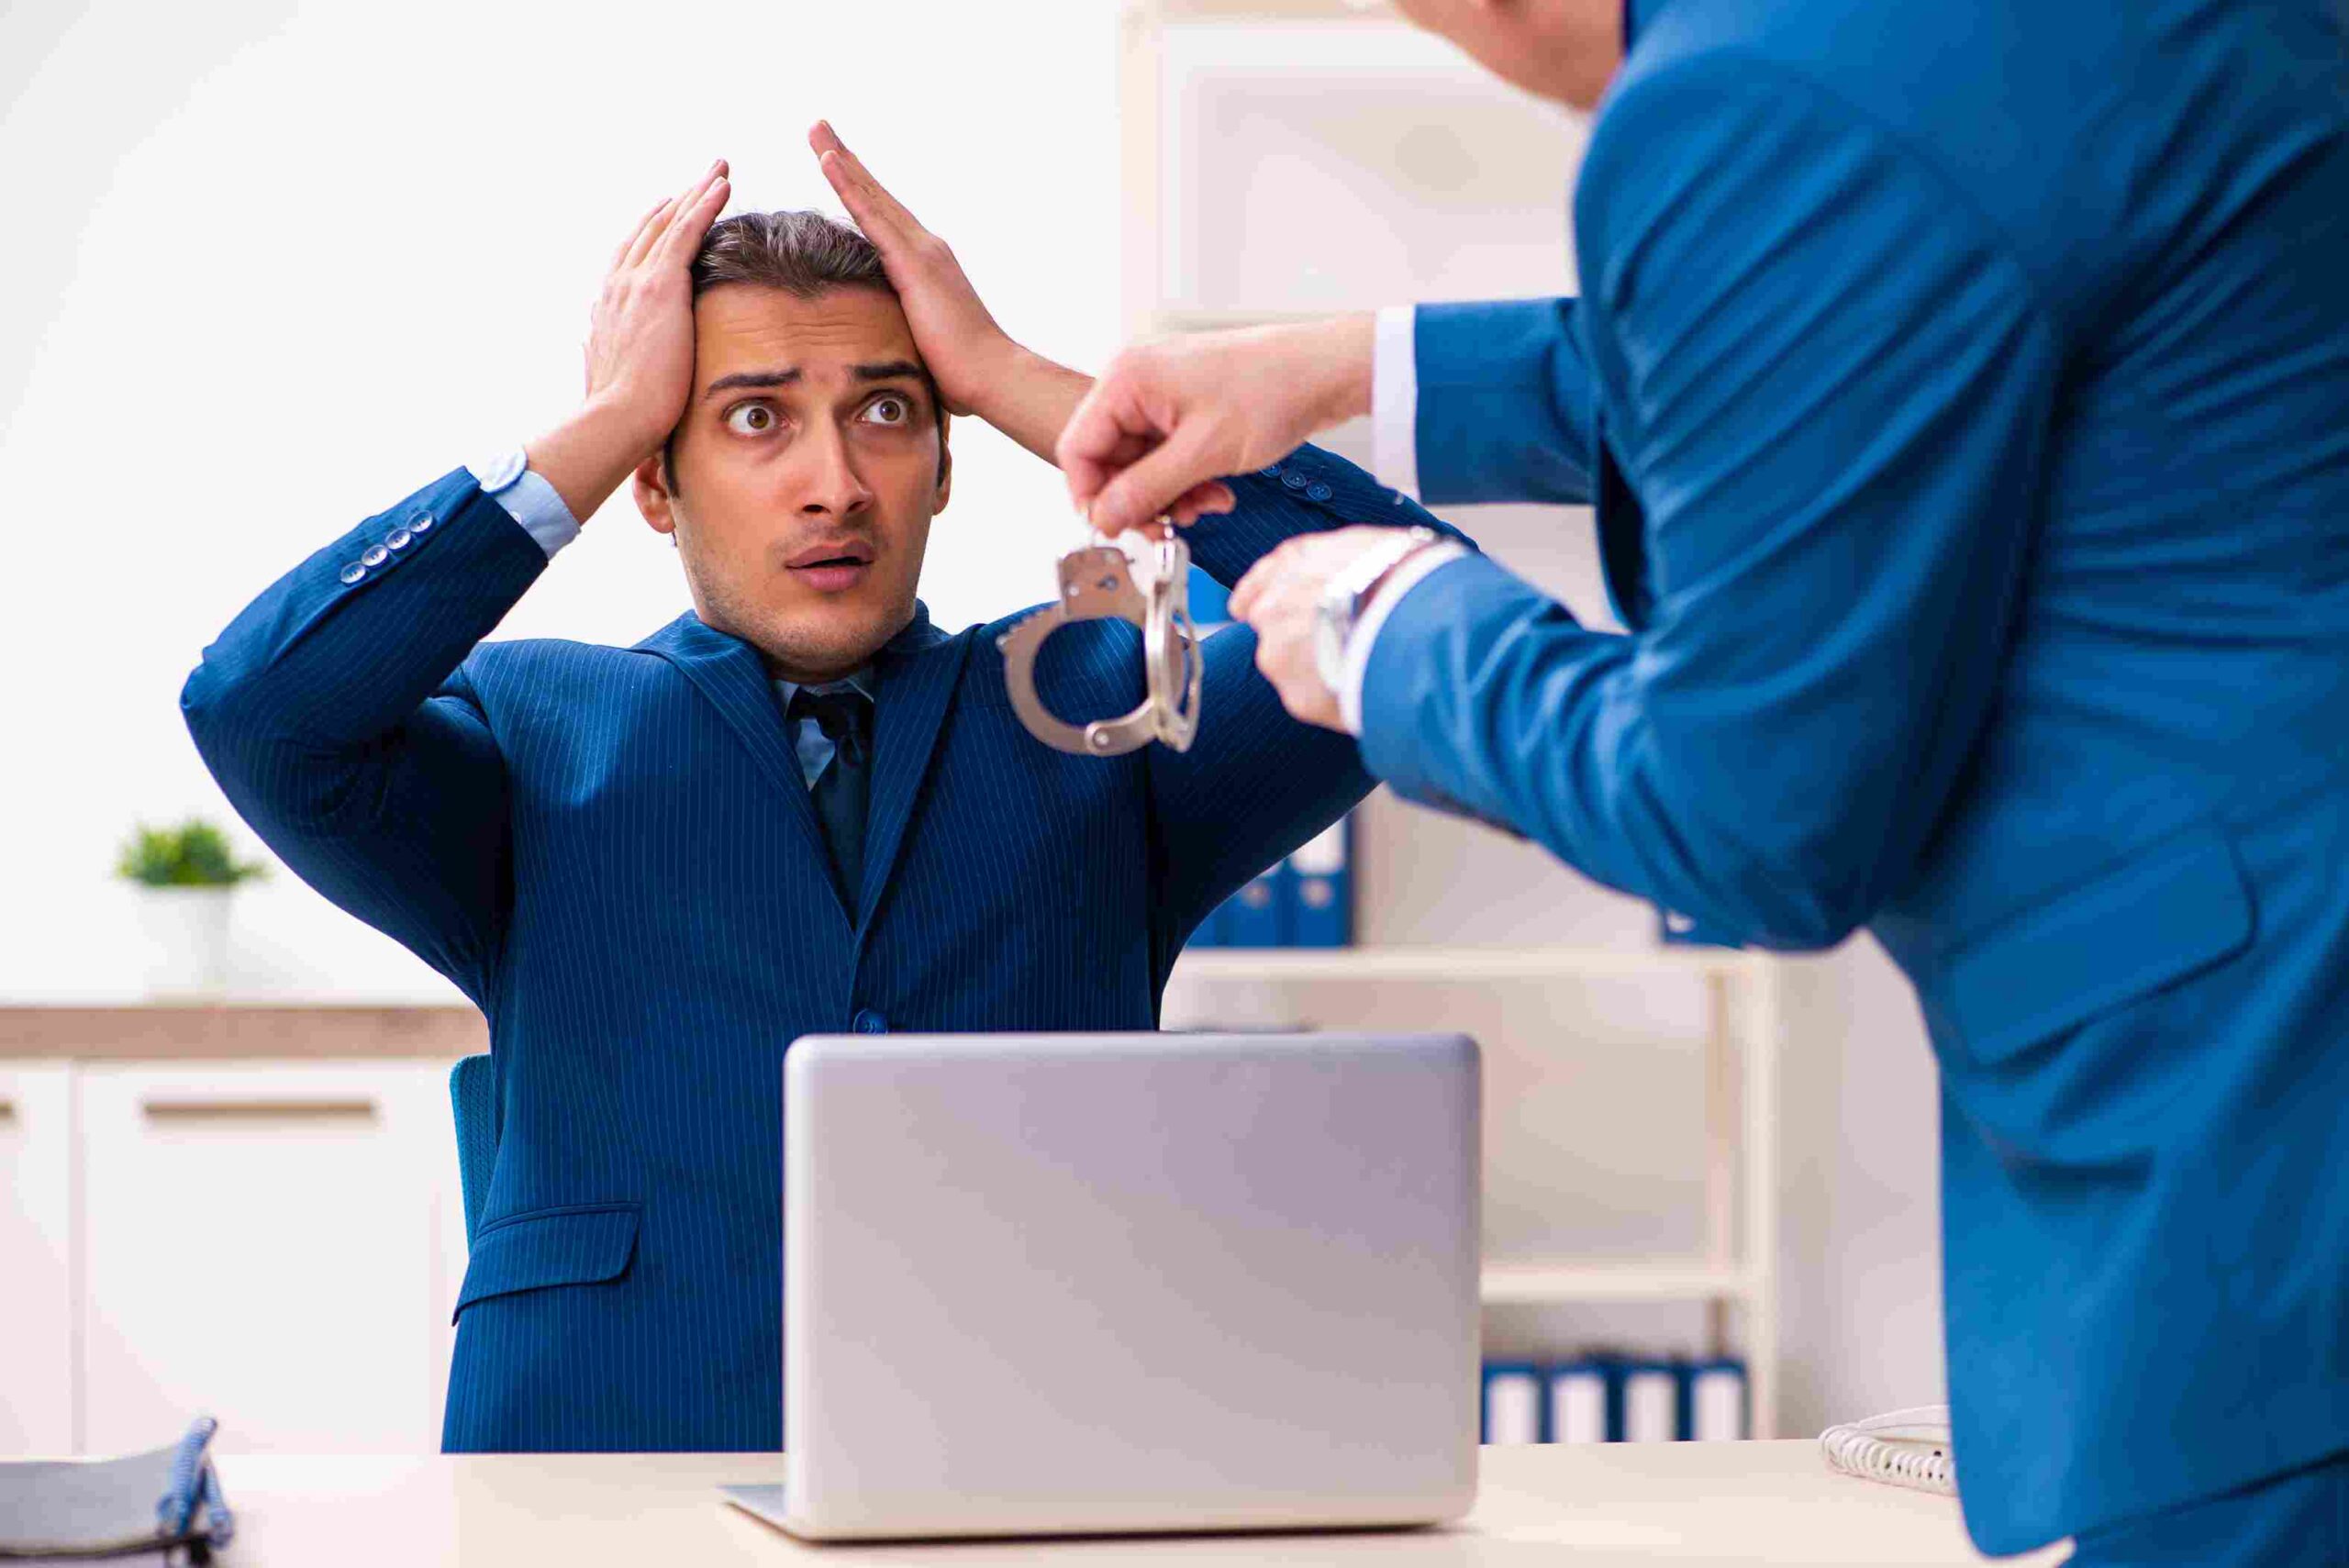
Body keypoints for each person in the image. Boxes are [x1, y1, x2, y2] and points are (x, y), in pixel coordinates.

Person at [1057, 1, 2349, 1562]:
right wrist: (1342, 370)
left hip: (2256, 1185)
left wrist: (1396, 624)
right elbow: (1859, 314)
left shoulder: (1749, 92)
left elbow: (1756, 814)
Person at [180, 128, 1460, 1453]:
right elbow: (258, 711)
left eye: (889, 412)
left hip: (1017, 1474)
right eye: (754, 418)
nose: (835, 482)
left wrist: (1031, 389)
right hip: (606, 1474)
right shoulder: (529, 730)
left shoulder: (1101, 704)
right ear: (657, 489)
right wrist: (605, 421)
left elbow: (1422, 602)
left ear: (946, 464)